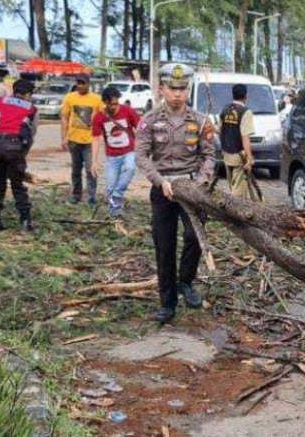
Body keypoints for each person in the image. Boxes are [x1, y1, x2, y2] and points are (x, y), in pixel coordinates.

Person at [136, 63, 216, 324]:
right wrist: (159, 181)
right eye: (173, 88)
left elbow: (209, 156)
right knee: (164, 246)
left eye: (183, 88)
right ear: (162, 89)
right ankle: (167, 303)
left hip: (192, 190)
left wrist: (201, 182)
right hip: (163, 191)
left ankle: (186, 283)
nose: (178, 93)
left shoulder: (201, 121)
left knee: (195, 236)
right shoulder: (149, 121)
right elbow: (141, 156)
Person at [0, 79, 39, 231]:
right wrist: (22, 154)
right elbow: (31, 135)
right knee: (17, 185)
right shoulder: (32, 109)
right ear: (28, 94)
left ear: (14, 91)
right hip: (15, 148)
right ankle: (25, 221)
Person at [91, 87, 141, 218]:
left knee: (130, 168)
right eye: (111, 104)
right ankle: (115, 214)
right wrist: (94, 162)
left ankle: (118, 195)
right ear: (105, 103)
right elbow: (96, 140)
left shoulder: (127, 111)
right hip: (112, 156)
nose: (114, 106)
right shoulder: (99, 117)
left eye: (116, 103)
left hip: (129, 150)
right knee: (109, 188)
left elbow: (141, 127)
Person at [61, 73, 103, 206]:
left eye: (82, 83)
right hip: (74, 140)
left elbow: (103, 117)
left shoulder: (96, 99)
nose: (79, 85)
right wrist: (64, 137)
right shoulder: (69, 98)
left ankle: (91, 197)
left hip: (90, 141)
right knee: (76, 169)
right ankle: (76, 195)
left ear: (88, 84)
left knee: (91, 169)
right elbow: (64, 118)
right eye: (78, 83)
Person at [219, 84, 259, 200]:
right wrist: (249, 158)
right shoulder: (245, 112)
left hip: (226, 154)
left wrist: (210, 124)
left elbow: (219, 131)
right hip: (239, 155)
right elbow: (245, 137)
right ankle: (229, 210)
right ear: (246, 96)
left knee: (232, 186)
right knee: (237, 193)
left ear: (233, 95)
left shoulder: (224, 110)